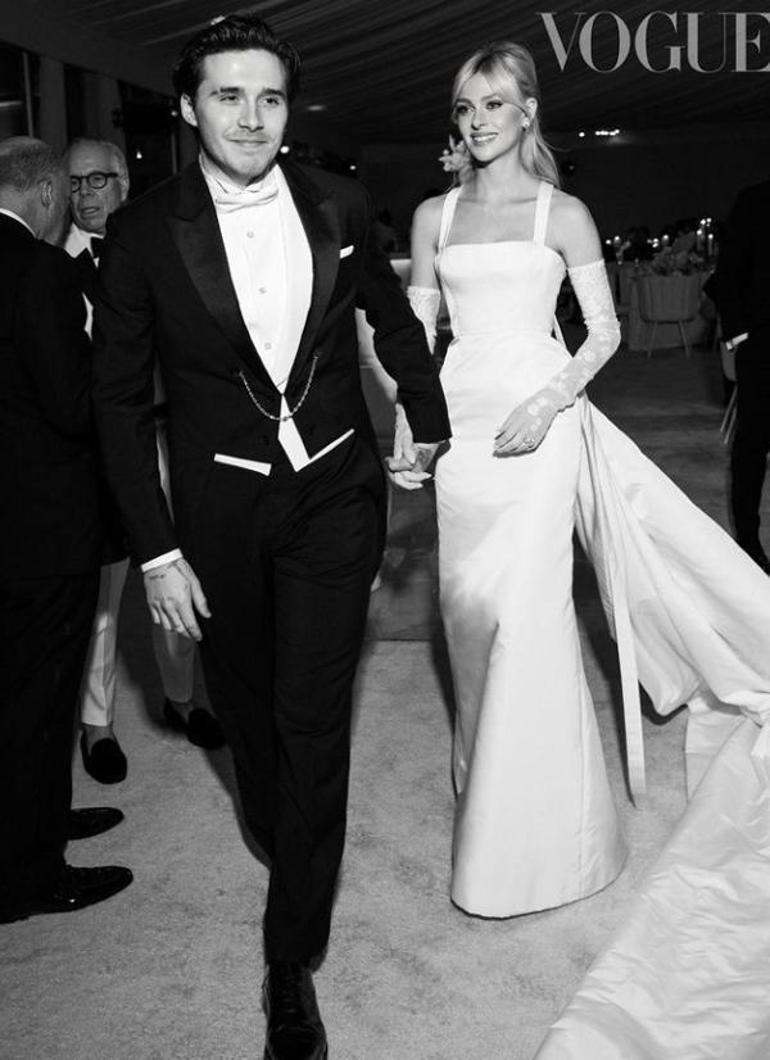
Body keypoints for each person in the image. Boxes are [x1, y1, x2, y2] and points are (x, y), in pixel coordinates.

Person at [91, 15, 448, 1060]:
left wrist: (423, 410)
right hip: (218, 513)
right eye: (228, 96)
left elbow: (388, 312)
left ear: (290, 108)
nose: (252, 118)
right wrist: (157, 551)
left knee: (312, 716)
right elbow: (118, 404)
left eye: (271, 97)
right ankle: (275, 821)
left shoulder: (337, 200)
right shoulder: (142, 232)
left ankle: (288, 959)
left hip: (335, 493)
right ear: (189, 108)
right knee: (247, 710)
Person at [402, 42, 770, 1054]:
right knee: (466, 618)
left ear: (527, 111)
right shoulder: (433, 215)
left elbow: (602, 332)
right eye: (464, 105)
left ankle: (541, 846)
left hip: (540, 421)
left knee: (528, 618)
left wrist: (547, 399)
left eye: (494, 103)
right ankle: (479, 776)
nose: (477, 120)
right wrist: (408, 432)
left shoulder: (559, 214)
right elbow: (415, 342)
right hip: (462, 433)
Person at [0, 136, 133, 923]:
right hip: (42, 529)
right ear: (48, 193)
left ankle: (36, 822)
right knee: (41, 700)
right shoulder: (42, 270)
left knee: (13, 691)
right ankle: (29, 874)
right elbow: (70, 405)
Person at [64, 137, 223, 785]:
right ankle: (96, 724)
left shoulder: (159, 245)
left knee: (178, 570)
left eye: (97, 180)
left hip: (171, 434)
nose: (85, 194)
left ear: (124, 182)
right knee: (104, 595)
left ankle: (183, 698)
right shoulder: (52, 263)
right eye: (75, 182)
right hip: (96, 449)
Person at [710, 179, 770, 574]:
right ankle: (748, 542)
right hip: (764, 345)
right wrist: (740, 334)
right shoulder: (756, 200)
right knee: (753, 446)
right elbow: (726, 276)